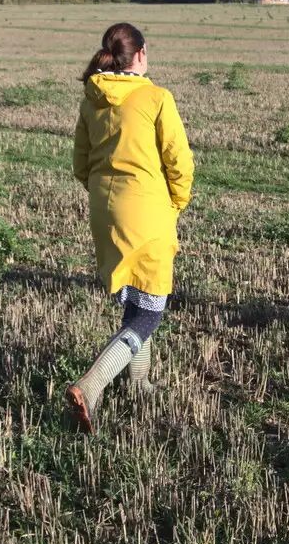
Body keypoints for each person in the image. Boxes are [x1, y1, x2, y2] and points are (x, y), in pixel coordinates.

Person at [67, 23, 194, 432]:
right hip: (148, 211)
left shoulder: (92, 100)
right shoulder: (156, 98)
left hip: (105, 213)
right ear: (140, 53)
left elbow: (81, 165)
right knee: (150, 314)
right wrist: (176, 201)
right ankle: (92, 384)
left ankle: (138, 382)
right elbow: (179, 162)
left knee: (135, 298)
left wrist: (107, 194)